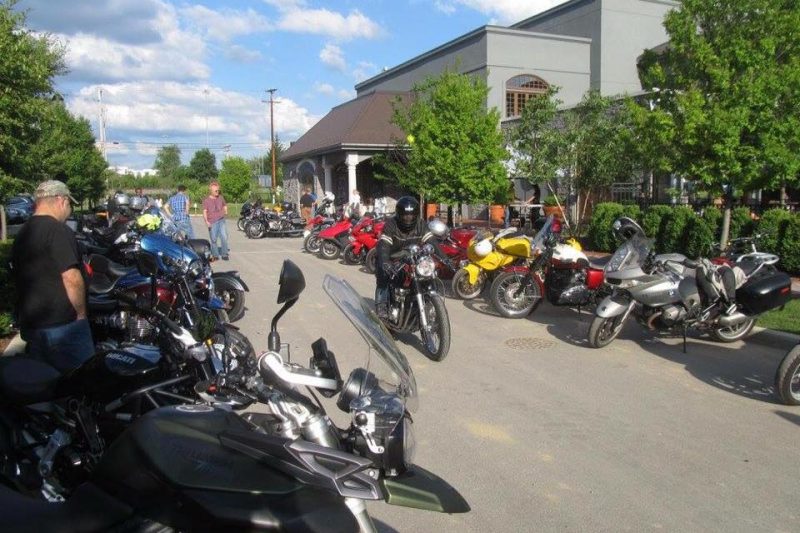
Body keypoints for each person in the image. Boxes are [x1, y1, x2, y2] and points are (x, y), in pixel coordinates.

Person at [12, 180, 94, 373]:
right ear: (61, 200)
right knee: (83, 381)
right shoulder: (57, 230)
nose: (70, 210)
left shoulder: (24, 232)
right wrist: (81, 316)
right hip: (63, 325)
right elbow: (71, 278)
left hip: (33, 325)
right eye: (70, 204)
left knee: (43, 385)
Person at [374, 196, 433, 319]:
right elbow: (384, 245)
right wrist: (385, 262)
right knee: (383, 275)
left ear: (416, 214)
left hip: (411, 256)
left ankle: (427, 301)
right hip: (392, 257)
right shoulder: (391, 224)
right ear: (399, 214)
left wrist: (446, 259)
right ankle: (382, 305)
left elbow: (432, 241)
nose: (408, 218)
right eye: (405, 215)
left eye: (411, 215)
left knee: (427, 274)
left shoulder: (421, 224)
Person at [203, 181, 229, 260]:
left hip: (221, 220)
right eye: (216, 191)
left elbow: (225, 205)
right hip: (212, 222)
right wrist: (206, 221)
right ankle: (215, 255)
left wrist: (226, 211)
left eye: (218, 190)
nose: (218, 192)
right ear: (211, 191)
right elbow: (204, 211)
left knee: (224, 237)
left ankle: (224, 254)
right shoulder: (206, 200)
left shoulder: (221, 198)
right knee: (213, 239)